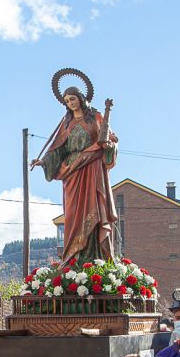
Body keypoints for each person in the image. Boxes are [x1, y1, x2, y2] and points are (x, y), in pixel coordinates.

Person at [30, 86, 118, 261]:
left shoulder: (96, 117)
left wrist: (109, 147)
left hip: (93, 168)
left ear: (80, 97)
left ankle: (95, 256)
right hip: (72, 173)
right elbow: (58, 148)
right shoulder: (67, 123)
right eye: (67, 101)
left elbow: (111, 139)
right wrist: (44, 162)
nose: (70, 103)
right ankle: (74, 256)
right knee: (73, 214)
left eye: (72, 99)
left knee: (94, 209)